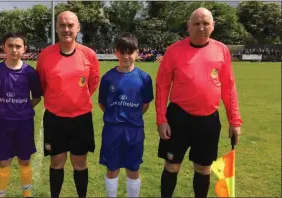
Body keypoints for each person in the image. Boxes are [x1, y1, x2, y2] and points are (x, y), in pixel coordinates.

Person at [155, 8, 243, 198]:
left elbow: (229, 88)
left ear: (213, 26)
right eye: (196, 23)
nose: (201, 27)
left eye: (205, 23)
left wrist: (235, 121)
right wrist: (161, 119)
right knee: (172, 165)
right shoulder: (174, 51)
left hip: (208, 120)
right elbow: (162, 86)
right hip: (178, 118)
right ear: (188, 26)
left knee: (204, 168)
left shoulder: (222, 50)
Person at [36, 10, 100, 198]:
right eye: (62, 25)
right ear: (56, 28)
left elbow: (93, 83)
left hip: (81, 119)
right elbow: (42, 84)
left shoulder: (89, 55)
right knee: (56, 162)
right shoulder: (46, 55)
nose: (66, 29)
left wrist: (76, 100)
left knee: (80, 163)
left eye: (70, 25)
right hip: (55, 118)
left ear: (78, 28)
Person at [0, 32, 42, 198]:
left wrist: (22, 107)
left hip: (24, 123)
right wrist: (6, 108)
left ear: (24, 49)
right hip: (2, 124)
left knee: (24, 160)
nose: (14, 49)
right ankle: (1, 194)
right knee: (4, 162)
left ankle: (27, 195)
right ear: (4, 47)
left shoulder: (30, 72)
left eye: (18, 46)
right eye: (10, 46)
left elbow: (36, 97)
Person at [98, 33, 154, 197]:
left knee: (133, 168)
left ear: (137, 52)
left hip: (134, 130)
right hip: (112, 130)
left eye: (130, 52)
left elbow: (145, 104)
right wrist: (117, 116)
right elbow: (102, 104)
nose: (126, 56)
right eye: (122, 52)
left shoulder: (144, 78)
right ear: (116, 52)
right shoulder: (108, 78)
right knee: (112, 168)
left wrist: (132, 116)